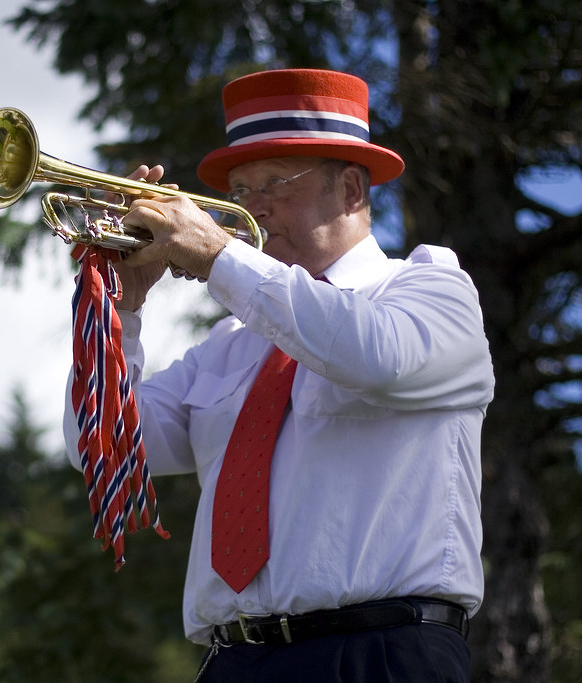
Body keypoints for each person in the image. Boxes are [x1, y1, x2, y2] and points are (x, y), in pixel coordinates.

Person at [62, 68, 494, 682]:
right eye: (240, 188)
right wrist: (120, 310)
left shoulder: (431, 290)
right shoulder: (232, 344)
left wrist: (219, 256)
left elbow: (375, 357)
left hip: (382, 651)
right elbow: (101, 448)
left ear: (350, 188)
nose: (250, 207)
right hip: (235, 660)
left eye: (273, 183)